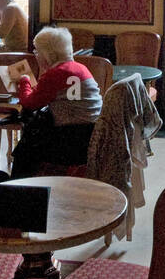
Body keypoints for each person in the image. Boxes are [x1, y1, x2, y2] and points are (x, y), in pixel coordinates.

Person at [8, 27, 102, 179]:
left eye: (37, 51)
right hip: (87, 134)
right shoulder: (80, 68)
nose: (36, 55)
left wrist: (24, 80)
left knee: (24, 149)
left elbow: (29, 103)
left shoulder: (56, 73)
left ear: (47, 54)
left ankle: (18, 190)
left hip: (68, 139)